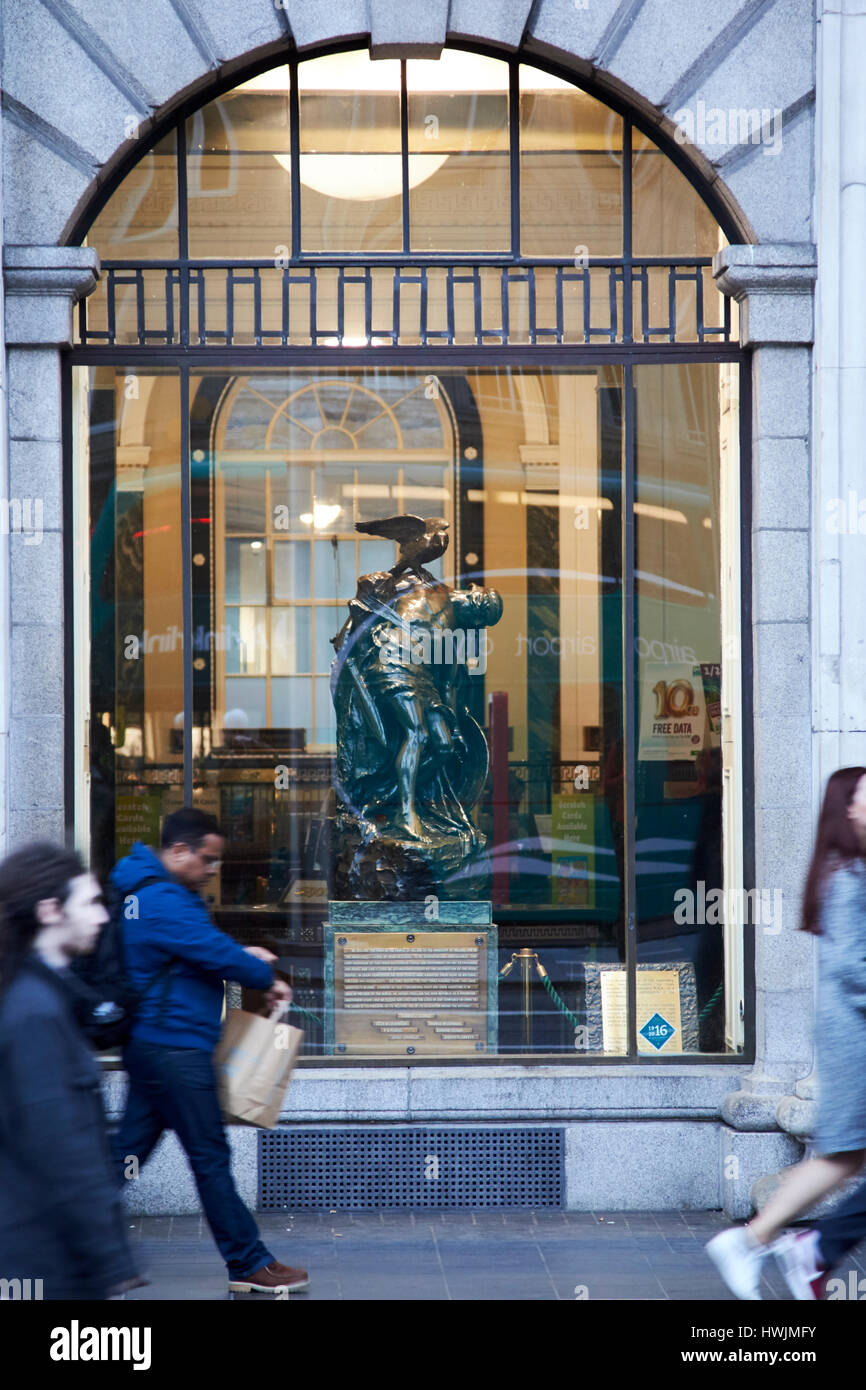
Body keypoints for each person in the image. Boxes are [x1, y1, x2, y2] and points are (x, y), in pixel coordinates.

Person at [110, 807, 308, 1295]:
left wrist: (246, 956)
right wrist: (264, 976)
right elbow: (210, 951)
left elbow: (193, 950)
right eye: (208, 859)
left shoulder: (144, 891)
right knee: (210, 1158)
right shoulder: (161, 898)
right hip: (176, 1050)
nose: (213, 870)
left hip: (154, 1047)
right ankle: (248, 1262)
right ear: (179, 850)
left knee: (124, 1155)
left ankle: (56, 1231)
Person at [706, 766, 866, 1299]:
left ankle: (773, 1244)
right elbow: (853, 968)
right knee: (841, 1155)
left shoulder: (849, 869)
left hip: (850, 1032)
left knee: (843, 1156)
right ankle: (772, 1243)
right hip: (855, 1036)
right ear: (847, 809)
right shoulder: (848, 875)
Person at [0, 842, 146, 1300]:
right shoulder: (35, 1011)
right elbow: (64, 1151)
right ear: (50, 910)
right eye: (88, 902)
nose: (102, 916)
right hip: (42, 1266)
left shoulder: (45, 996)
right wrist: (111, 1261)